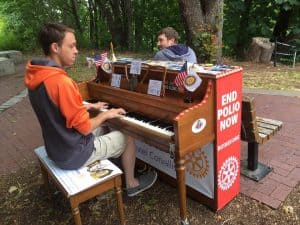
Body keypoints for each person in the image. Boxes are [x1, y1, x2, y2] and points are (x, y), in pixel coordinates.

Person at [24, 23, 157, 197]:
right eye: (71, 46)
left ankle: (109, 176)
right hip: (73, 154)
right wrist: (107, 114)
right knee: (127, 134)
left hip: (57, 147)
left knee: (109, 126)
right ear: (55, 47)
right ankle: (131, 184)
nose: (76, 50)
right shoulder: (61, 82)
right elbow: (85, 127)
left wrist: (89, 106)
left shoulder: (36, 75)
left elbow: (57, 108)